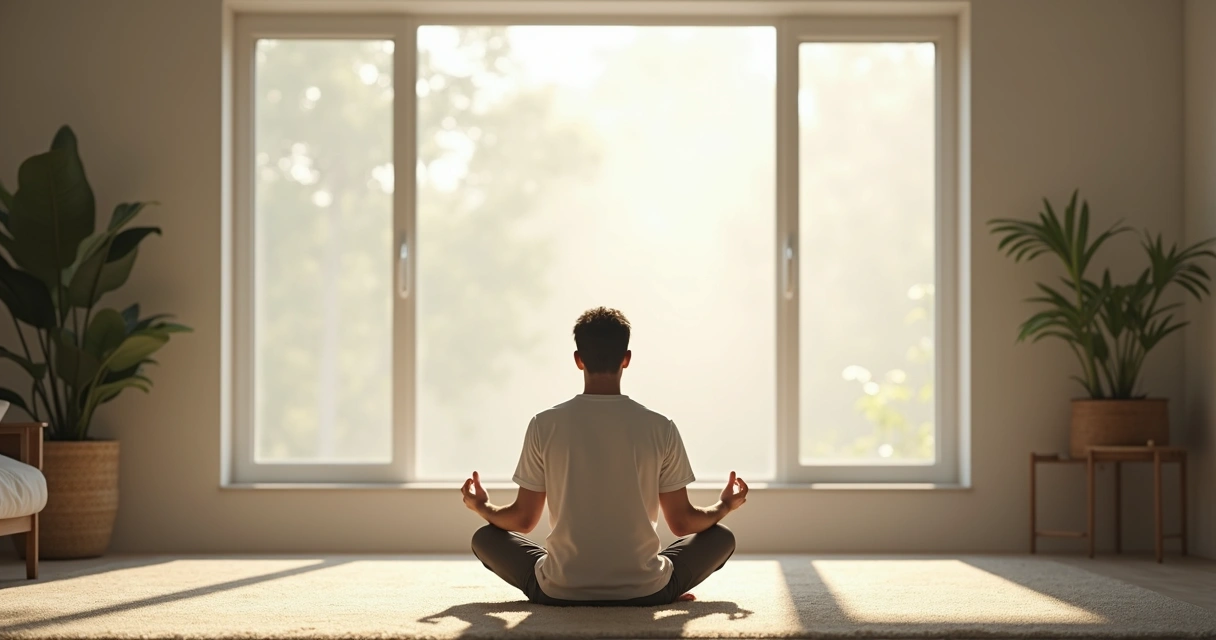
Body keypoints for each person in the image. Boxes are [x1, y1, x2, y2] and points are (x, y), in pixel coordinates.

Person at [460, 306, 748, 606]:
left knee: (485, 538)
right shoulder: (660, 427)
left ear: (578, 359)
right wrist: (725, 504)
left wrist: (482, 505)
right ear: (627, 359)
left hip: (558, 591)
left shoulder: (543, 424)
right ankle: (655, 582)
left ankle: (568, 575)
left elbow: (523, 519)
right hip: (647, 591)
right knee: (722, 537)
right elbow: (683, 523)